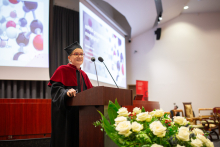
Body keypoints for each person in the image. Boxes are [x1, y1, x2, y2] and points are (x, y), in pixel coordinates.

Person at [48, 41, 93, 147]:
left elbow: (91, 92)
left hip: (82, 115)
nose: (79, 56)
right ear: (69, 57)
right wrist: (66, 93)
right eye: (76, 54)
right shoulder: (62, 70)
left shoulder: (84, 75)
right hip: (67, 115)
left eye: (81, 54)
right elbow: (56, 90)